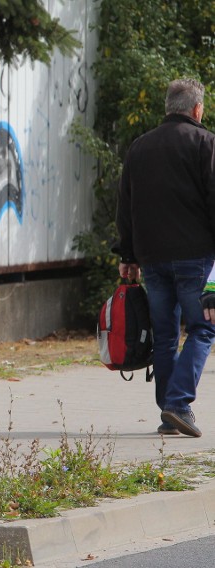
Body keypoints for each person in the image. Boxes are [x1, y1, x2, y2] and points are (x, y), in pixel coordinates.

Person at [116, 77, 215, 438]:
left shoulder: (139, 147)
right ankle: (177, 404)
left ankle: (169, 412)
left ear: (168, 108)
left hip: (152, 259)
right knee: (204, 326)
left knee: (165, 336)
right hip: (196, 259)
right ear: (197, 109)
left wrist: (128, 255)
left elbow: (125, 206)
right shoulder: (205, 143)